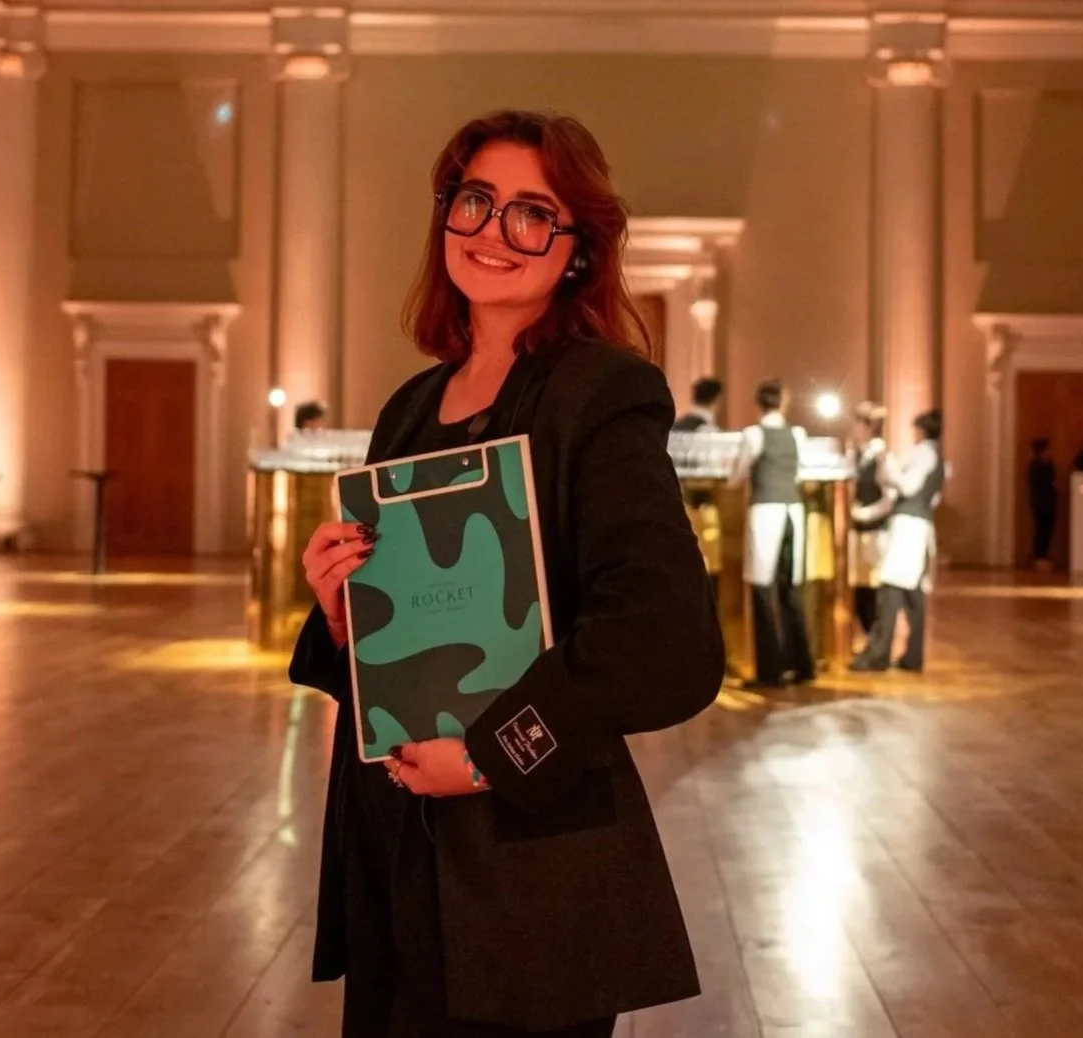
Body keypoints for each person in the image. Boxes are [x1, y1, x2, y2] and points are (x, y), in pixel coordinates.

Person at [287, 110, 725, 1038]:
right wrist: (339, 612)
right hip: (396, 855)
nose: (493, 232)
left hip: (529, 870)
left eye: (532, 213)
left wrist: (489, 757)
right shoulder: (411, 406)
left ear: (576, 250)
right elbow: (392, 645)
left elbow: (663, 642)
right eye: (475, 201)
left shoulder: (601, 393)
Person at [728, 378, 814, 688]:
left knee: (763, 591)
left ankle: (769, 671)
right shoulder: (797, 434)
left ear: (758, 403)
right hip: (794, 511)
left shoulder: (753, 435)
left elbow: (736, 477)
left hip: (765, 511)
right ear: (783, 402)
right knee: (791, 589)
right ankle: (802, 664)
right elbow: (801, 471)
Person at [850, 408, 947, 673]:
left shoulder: (923, 453)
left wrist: (887, 466)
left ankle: (879, 654)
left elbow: (907, 486)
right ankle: (912, 656)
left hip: (909, 525)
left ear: (921, 430)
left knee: (890, 589)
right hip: (918, 523)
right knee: (913, 594)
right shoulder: (935, 454)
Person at [846, 402, 889, 639]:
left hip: (876, 530)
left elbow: (890, 496)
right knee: (859, 586)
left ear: (869, 427)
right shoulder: (857, 454)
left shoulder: (881, 455)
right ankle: (865, 636)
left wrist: (867, 512)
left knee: (873, 587)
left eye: (858, 424)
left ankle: (876, 638)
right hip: (858, 530)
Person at [1027, 438, 1058, 569]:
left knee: (1047, 530)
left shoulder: (1048, 464)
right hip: (1040, 502)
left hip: (1049, 501)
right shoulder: (1035, 466)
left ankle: (1043, 555)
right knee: (1041, 529)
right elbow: (1040, 484)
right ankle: (1039, 556)